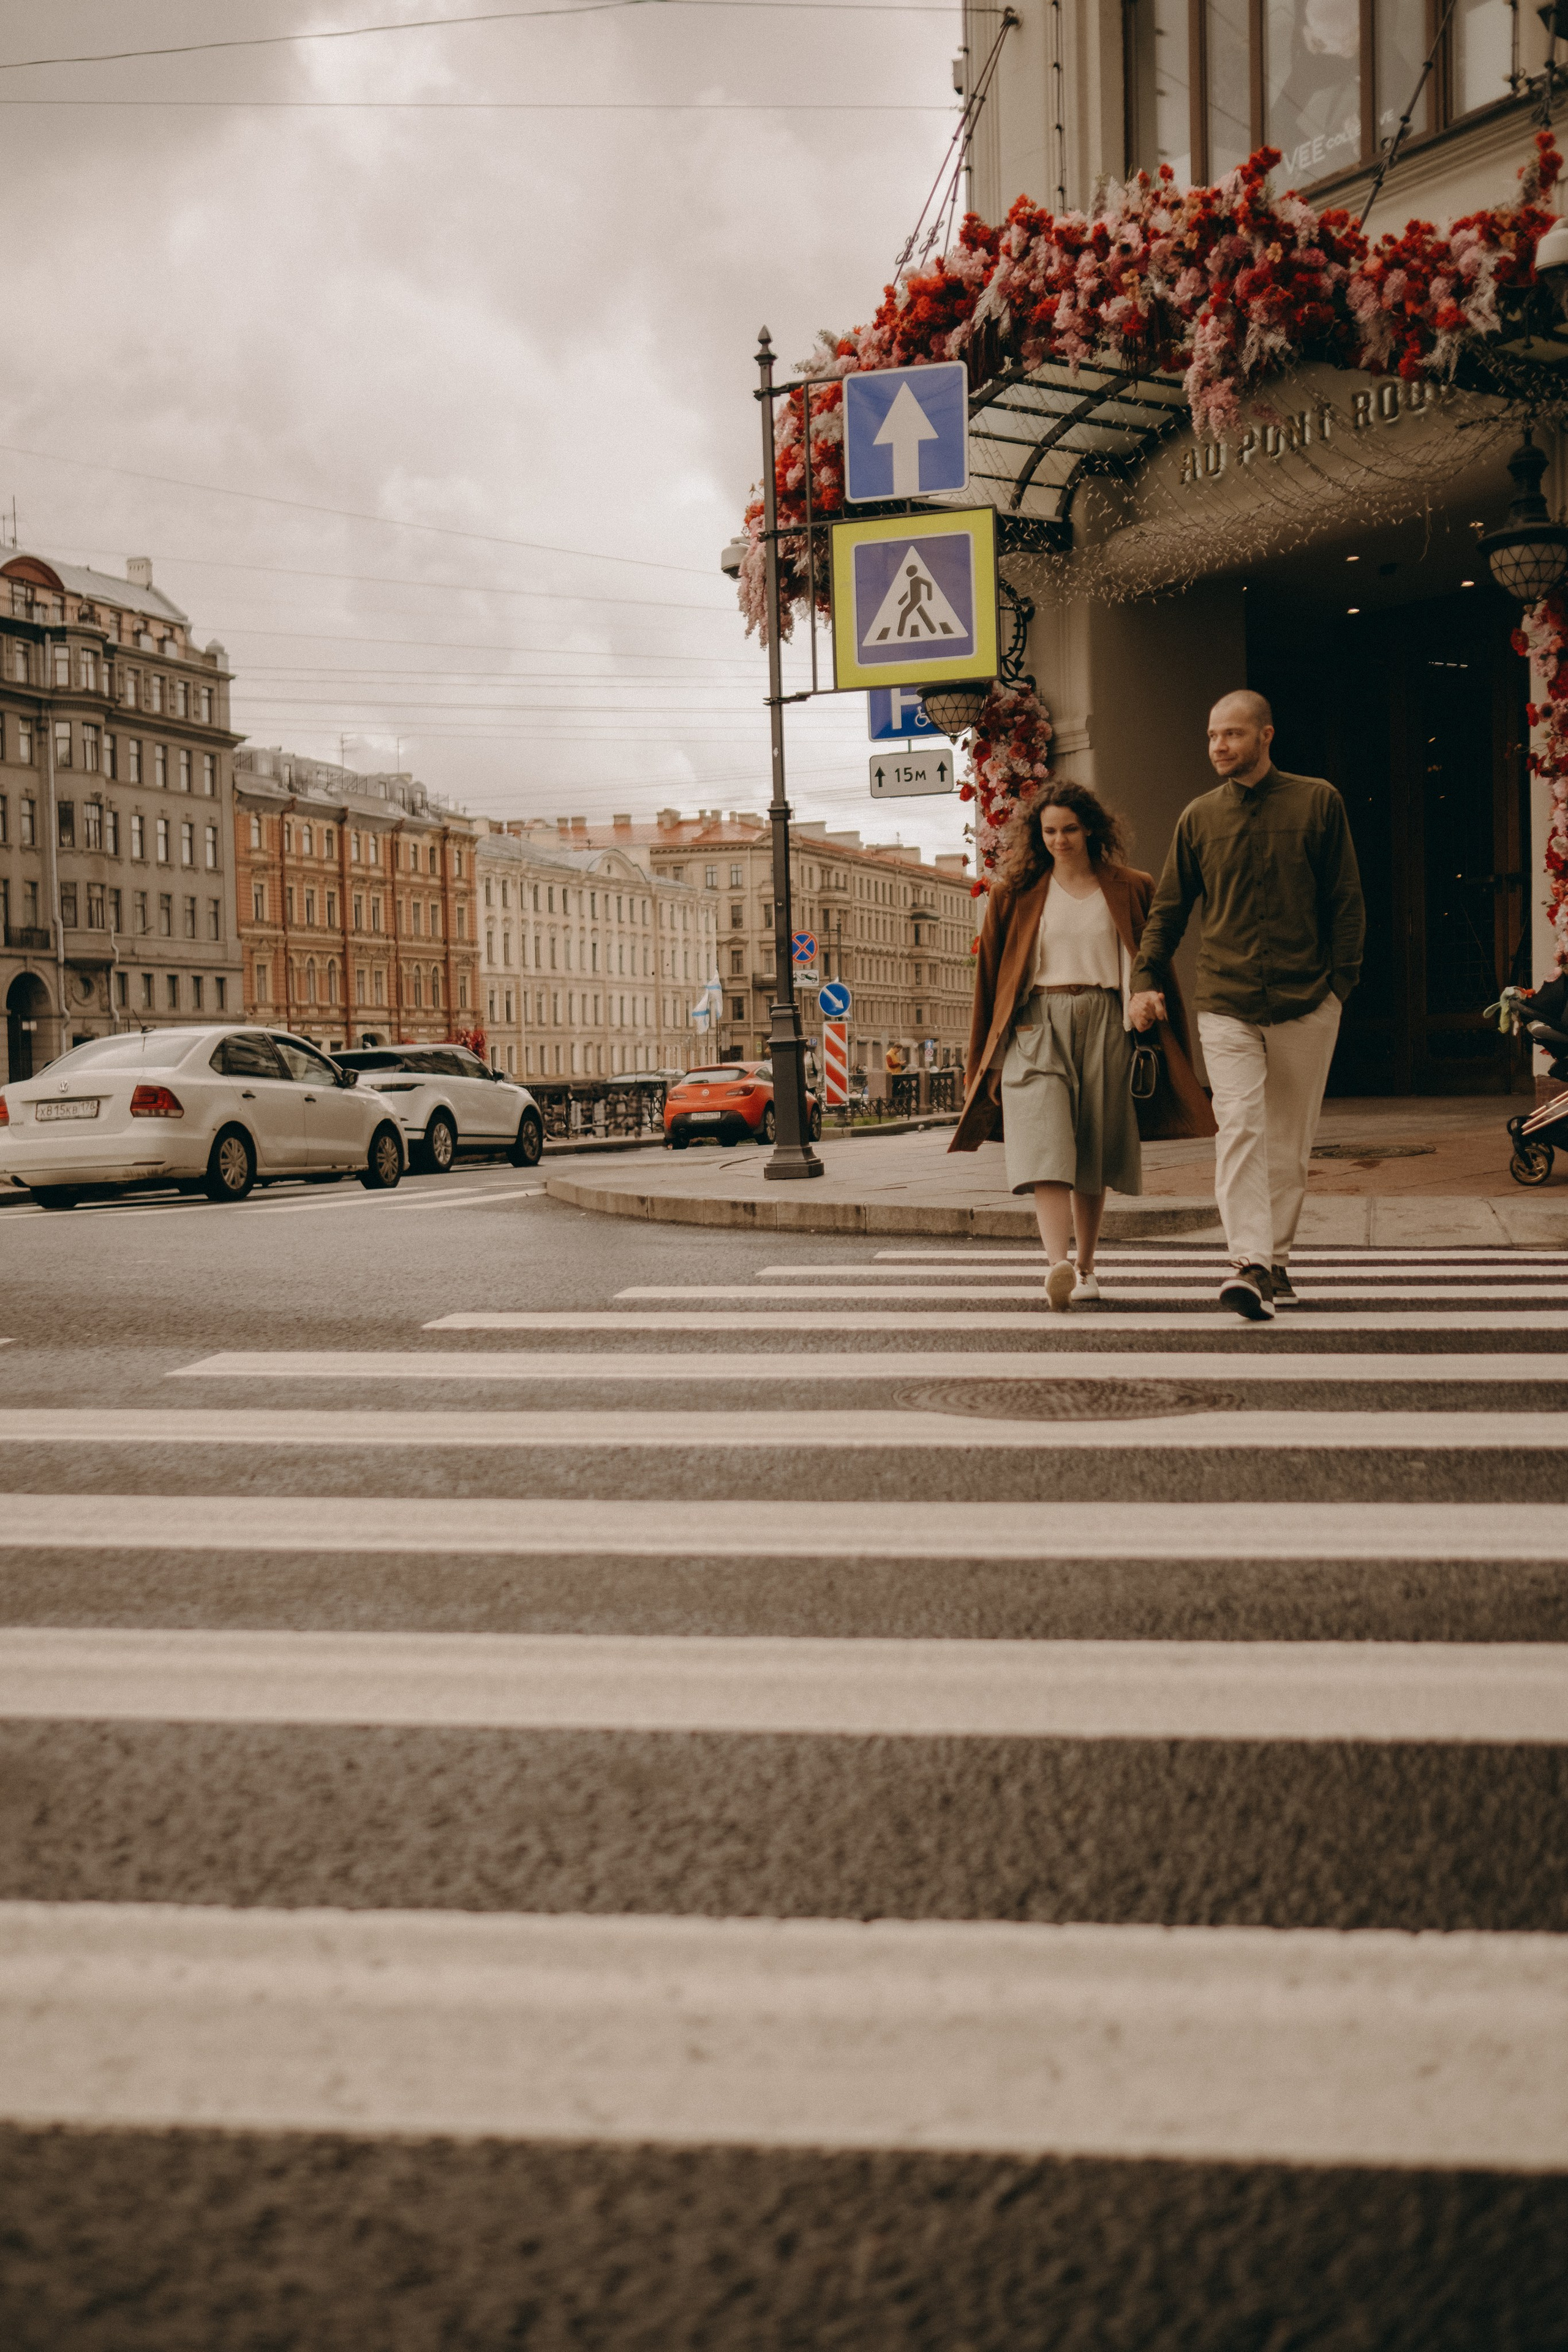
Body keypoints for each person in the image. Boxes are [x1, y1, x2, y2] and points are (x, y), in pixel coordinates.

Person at [1126, 690, 1365, 1322]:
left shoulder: (1318, 802)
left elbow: (1345, 900)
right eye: (1210, 736)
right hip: (1225, 999)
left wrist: (1340, 985)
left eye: (1231, 735)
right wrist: (1145, 977)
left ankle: (1276, 1257)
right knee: (1238, 1127)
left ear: (1266, 735)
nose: (1218, 747)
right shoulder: (1198, 818)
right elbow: (1169, 910)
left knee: (1288, 1141)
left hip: (1307, 998)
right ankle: (1248, 1261)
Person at [951, 782, 1214, 1309]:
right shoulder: (1014, 893)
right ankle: (1057, 1266)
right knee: (1046, 1146)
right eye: (1049, 831)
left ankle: (1088, 1266)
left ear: (1090, 827)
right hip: (1034, 1025)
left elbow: (1145, 958)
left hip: (1105, 1020)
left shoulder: (1131, 886)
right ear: (1037, 834)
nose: (1060, 840)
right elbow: (991, 986)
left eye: (1069, 829)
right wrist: (991, 1061)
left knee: (1092, 1149)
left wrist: (1143, 1001)